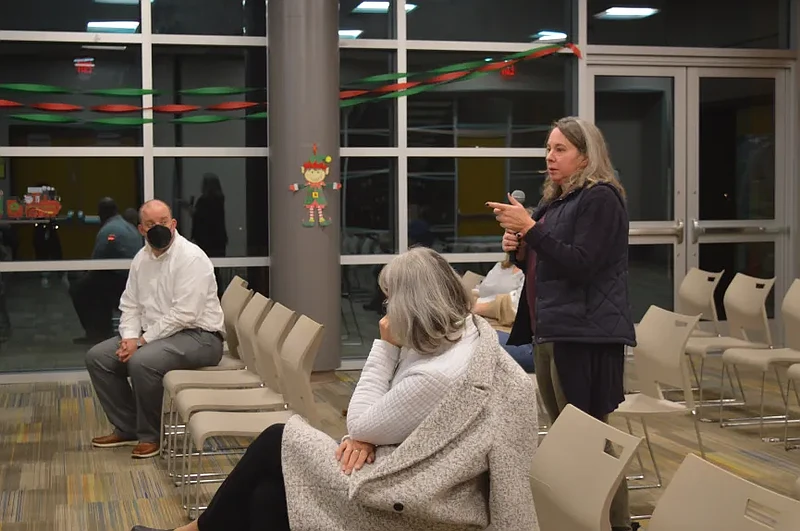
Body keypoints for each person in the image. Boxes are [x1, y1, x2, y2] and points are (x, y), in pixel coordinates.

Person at [130, 247, 538, 531]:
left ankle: (195, 529)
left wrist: (384, 350)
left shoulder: (434, 374)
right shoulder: (462, 333)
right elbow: (382, 422)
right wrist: (370, 437)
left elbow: (360, 419)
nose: (386, 309)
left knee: (279, 440)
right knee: (271, 496)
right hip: (413, 467)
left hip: (415, 498)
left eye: (390, 300)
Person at [487, 116, 636, 531]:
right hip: (551, 329)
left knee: (590, 437)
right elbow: (549, 260)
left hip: (586, 333)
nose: (550, 158)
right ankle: (583, 516)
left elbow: (583, 264)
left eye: (560, 150)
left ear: (585, 155)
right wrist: (519, 249)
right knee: (570, 435)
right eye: (548, 150)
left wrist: (531, 229)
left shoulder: (600, 199)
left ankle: (616, 522)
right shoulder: (556, 201)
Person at [86, 199, 225, 459]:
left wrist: (141, 341)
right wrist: (128, 338)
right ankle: (128, 427)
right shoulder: (142, 259)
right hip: (156, 337)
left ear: (173, 224)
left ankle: (151, 436)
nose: (157, 227)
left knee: (143, 361)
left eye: (162, 222)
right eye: (150, 224)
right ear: (141, 229)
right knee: (98, 358)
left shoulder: (191, 257)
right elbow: (130, 304)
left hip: (200, 337)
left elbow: (185, 314)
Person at [70, 198, 143, 344]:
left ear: (101, 214)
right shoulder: (127, 226)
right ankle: (102, 330)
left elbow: (97, 262)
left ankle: (97, 333)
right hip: (131, 278)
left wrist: (82, 277)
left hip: (121, 280)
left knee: (80, 290)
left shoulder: (109, 230)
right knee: (94, 284)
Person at [468, 259, 534, 373]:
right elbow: (480, 290)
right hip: (484, 324)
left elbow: (517, 307)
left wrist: (476, 307)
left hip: (516, 337)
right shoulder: (500, 266)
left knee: (469, 341)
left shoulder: (534, 269)